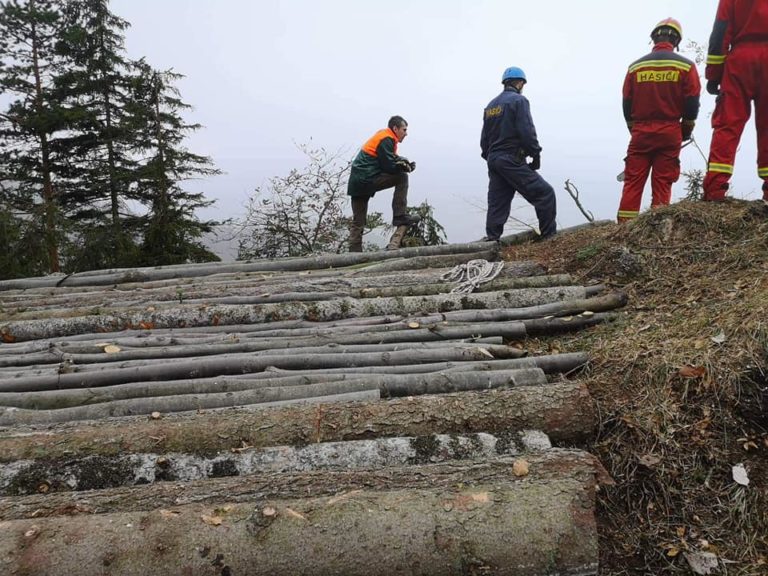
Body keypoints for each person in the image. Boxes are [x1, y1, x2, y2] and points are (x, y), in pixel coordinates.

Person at [617, 18, 701, 223]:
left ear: (654, 38)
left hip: (640, 133)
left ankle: (623, 228)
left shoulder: (635, 67)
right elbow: (692, 102)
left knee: (633, 182)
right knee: (663, 182)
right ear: (676, 40)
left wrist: (633, 128)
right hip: (670, 131)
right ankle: (657, 229)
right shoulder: (686, 66)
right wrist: (686, 130)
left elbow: (627, 102)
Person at [480, 66, 556, 242]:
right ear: (521, 83)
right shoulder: (519, 101)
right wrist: (535, 154)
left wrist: (492, 158)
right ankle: (549, 238)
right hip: (510, 158)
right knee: (545, 194)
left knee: (498, 201)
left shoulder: (490, 106)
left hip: (494, 159)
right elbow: (527, 130)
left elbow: (484, 141)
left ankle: (492, 240)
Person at [702, 1, 768, 203]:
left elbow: (720, 32)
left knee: (727, 124)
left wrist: (714, 74)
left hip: (739, 61)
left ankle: (715, 192)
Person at [346, 115, 419, 252]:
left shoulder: (383, 136)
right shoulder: (387, 139)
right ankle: (399, 216)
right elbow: (388, 165)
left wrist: (405, 162)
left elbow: (390, 157)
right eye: (404, 130)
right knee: (402, 177)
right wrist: (402, 167)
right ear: (395, 128)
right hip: (367, 178)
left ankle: (354, 252)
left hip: (356, 183)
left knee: (358, 220)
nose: (406, 133)